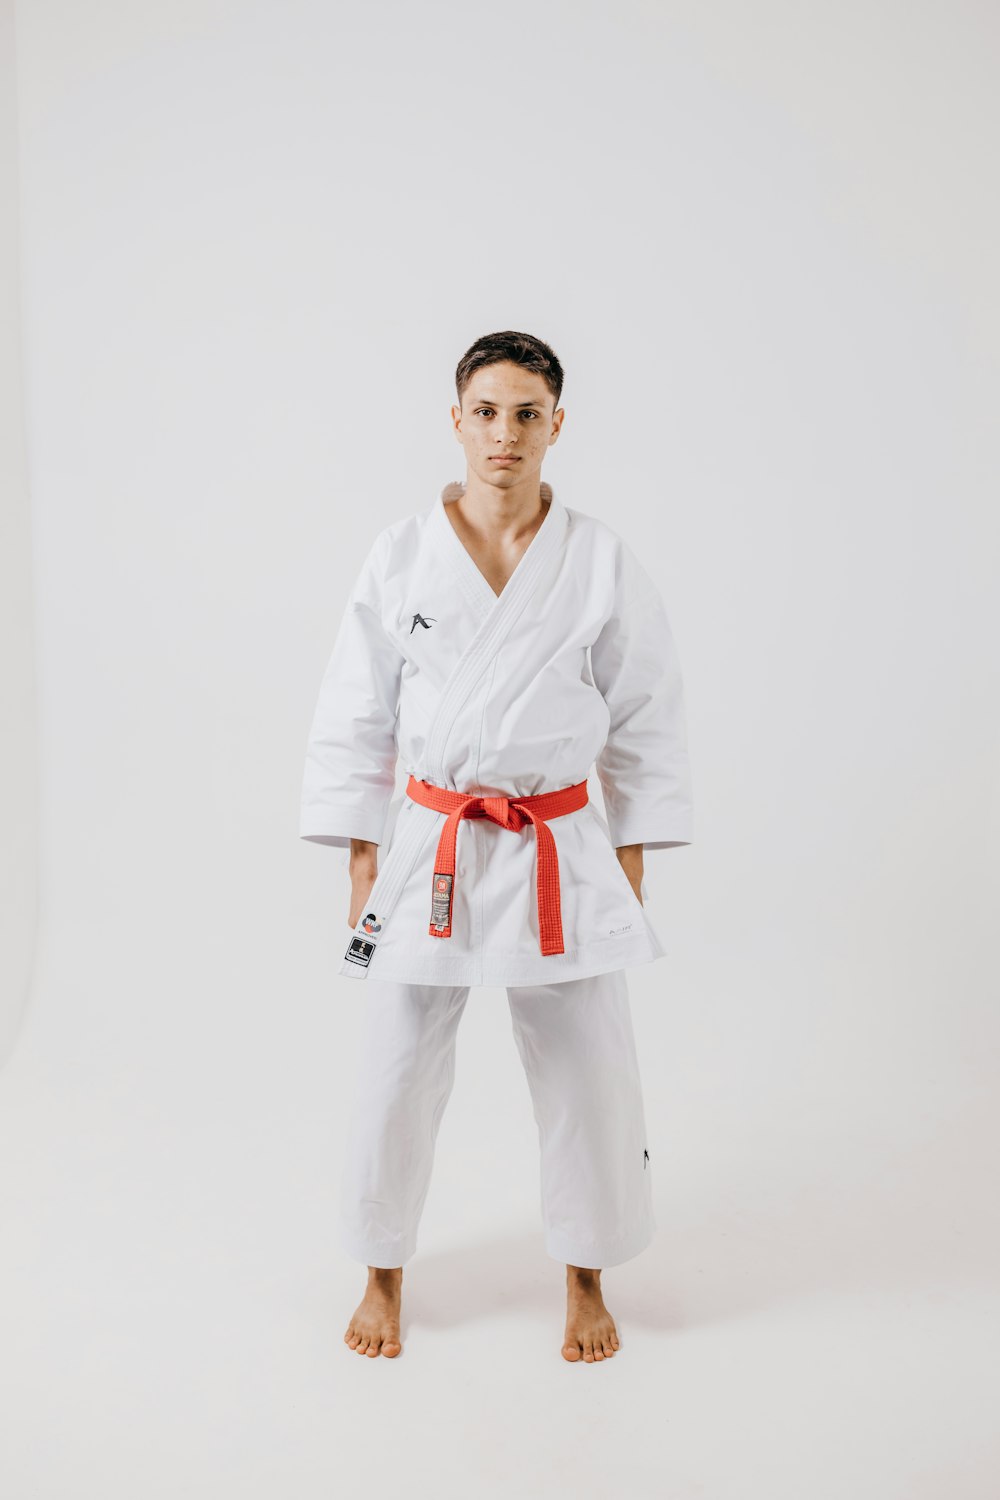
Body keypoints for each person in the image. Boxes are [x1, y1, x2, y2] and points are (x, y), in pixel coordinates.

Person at [299, 330, 694, 1361]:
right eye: (487, 411)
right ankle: (382, 1272)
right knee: (396, 1065)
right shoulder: (399, 554)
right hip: (429, 836)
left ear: (557, 425)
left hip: (558, 842)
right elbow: (356, 713)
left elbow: (646, 709)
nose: (505, 433)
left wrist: (633, 854)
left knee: (586, 1068)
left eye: (527, 414)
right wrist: (356, 856)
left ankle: (585, 1274)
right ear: (456, 419)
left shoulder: (599, 559)